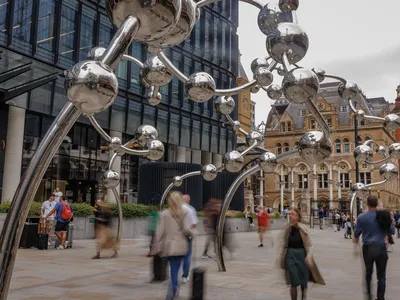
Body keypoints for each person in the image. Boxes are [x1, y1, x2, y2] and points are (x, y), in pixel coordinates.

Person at [151, 192, 193, 300]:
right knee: (176, 268)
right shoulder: (185, 212)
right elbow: (186, 230)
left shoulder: (164, 214)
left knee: (173, 269)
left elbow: (159, 232)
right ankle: (174, 288)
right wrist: (192, 234)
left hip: (169, 246)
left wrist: (156, 246)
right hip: (181, 245)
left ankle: (173, 289)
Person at [353, 195, 394, 300]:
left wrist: (355, 245)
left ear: (367, 203)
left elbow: (356, 234)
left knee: (368, 273)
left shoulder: (362, 217)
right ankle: (380, 297)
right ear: (377, 203)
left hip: (368, 248)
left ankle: (369, 296)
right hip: (381, 247)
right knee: (381, 276)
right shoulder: (383, 215)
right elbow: (391, 230)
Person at [280, 208, 325, 300]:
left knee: (303, 280)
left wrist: (309, 256)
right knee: (293, 280)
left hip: (302, 255)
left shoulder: (303, 228)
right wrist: (282, 257)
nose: (290, 216)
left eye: (292, 214)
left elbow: (309, 244)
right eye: (289, 214)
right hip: (290, 254)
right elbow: (283, 243)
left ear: (297, 217)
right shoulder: (286, 228)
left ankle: (303, 295)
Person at [181, 194, 198, 283]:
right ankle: (185, 276)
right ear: (188, 200)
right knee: (187, 256)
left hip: (176, 236)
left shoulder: (174, 209)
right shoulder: (190, 209)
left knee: (177, 256)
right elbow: (194, 223)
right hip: (187, 235)